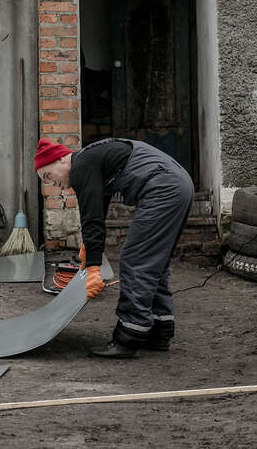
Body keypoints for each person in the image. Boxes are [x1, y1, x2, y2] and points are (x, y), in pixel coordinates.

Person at [34, 137, 194, 358]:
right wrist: (88, 248)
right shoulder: (92, 159)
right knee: (155, 262)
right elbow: (98, 210)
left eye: (49, 176)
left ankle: (129, 335)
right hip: (179, 185)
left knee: (135, 260)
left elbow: (91, 218)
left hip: (163, 189)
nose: (52, 184)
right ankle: (159, 330)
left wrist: (92, 269)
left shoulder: (80, 166)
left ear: (62, 159)